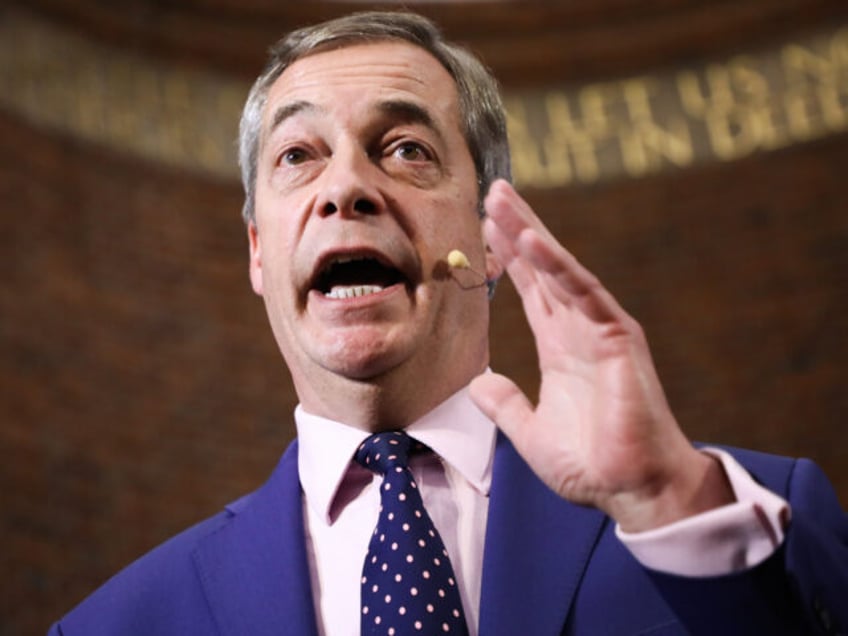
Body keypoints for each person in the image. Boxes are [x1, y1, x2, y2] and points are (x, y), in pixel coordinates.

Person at [49, 11, 847, 636]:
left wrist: (665, 500)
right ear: (259, 252)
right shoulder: (113, 625)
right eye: (298, 156)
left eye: (404, 149)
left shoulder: (739, 511)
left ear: (488, 233)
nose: (346, 188)